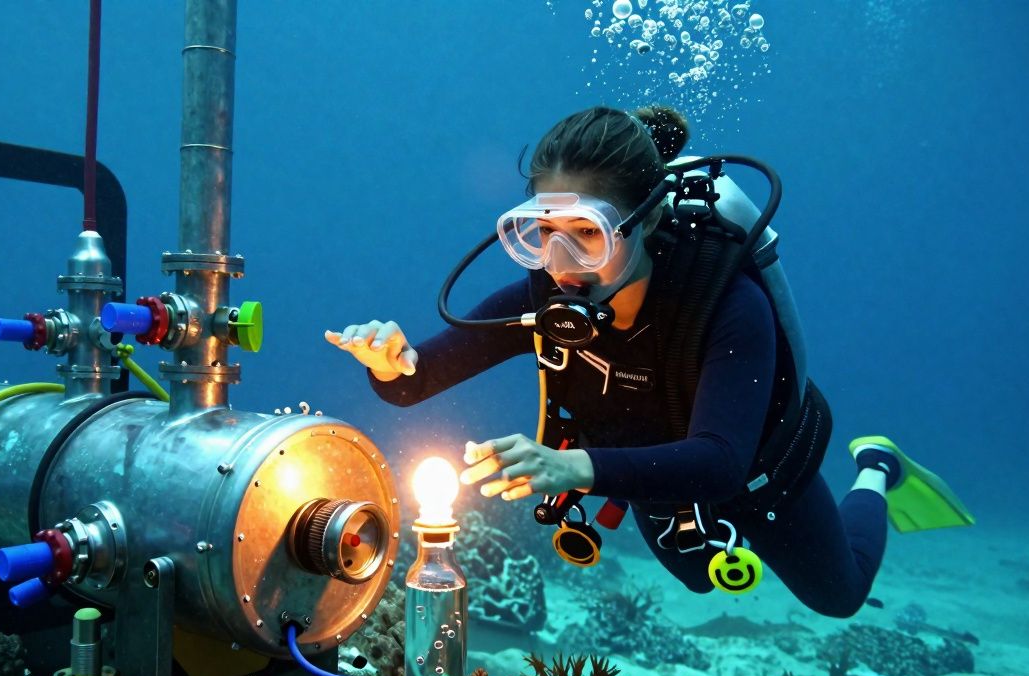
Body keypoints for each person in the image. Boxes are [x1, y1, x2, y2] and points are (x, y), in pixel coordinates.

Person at [326, 105, 973, 618]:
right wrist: (389, 361)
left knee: (839, 596)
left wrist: (570, 464)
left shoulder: (726, 304)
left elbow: (721, 462)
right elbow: (413, 384)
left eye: (587, 234)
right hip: (654, 474)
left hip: (758, 471)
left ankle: (875, 468)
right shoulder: (549, 293)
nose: (560, 263)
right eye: (541, 232)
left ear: (647, 217)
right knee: (696, 581)